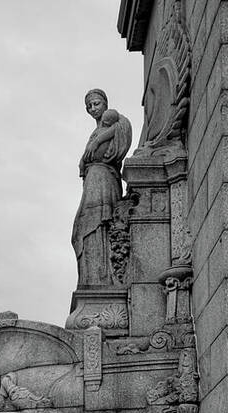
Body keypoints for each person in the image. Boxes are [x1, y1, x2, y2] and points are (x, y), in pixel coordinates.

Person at [72, 89, 132, 286]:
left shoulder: (116, 121)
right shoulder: (96, 131)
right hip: (93, 179)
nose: (92, 108)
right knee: (82, 227)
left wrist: (98, 140)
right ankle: (91, 277)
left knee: (98, 222)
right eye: (89, 106)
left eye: (96, 103)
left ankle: (104, 277)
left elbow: (122, 128)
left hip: (103, 178)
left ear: (105, 104)